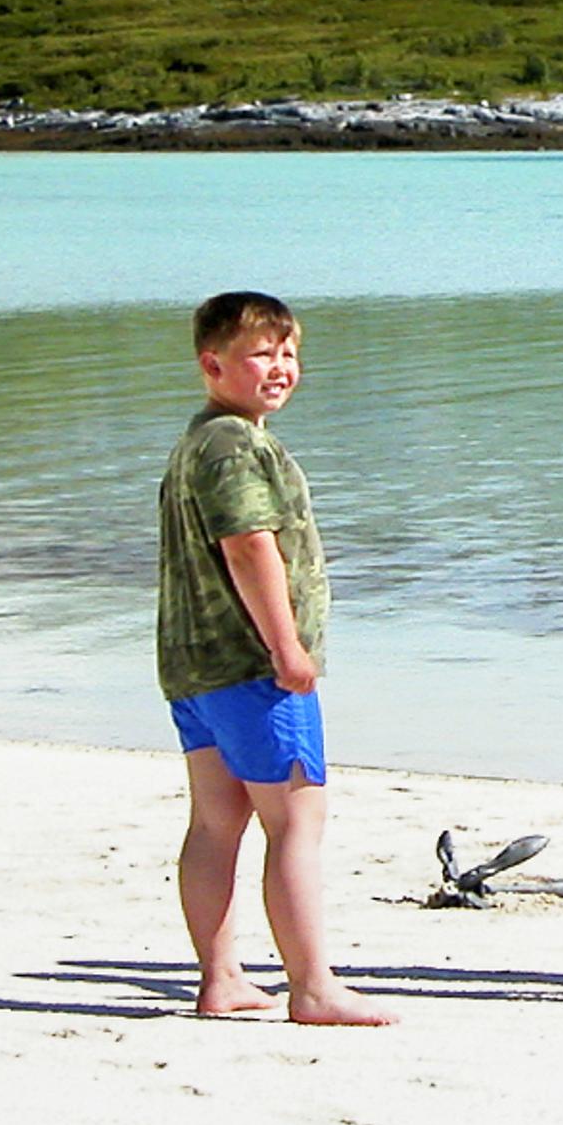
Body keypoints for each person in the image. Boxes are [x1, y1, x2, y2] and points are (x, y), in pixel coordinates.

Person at [157, 290, 391, 1027]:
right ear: (212, 362)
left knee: (216, 820)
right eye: (261, 353)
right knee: (296, 820)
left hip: (194, 666)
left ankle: (220, 976)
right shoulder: (231, 444)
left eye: (289, 353)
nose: (281, 367)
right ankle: (312, 986)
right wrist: (287, 648)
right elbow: (249, 542)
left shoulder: (199, 440)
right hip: (249, 665)